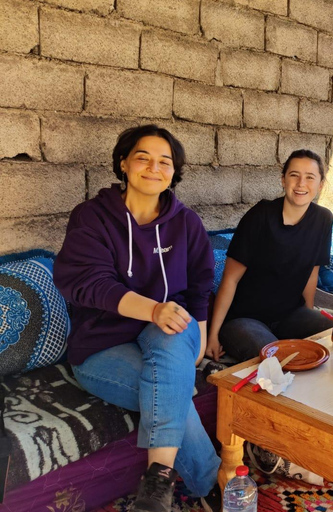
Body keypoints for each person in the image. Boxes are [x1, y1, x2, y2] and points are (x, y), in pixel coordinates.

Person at [53, 125, 221, 512]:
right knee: (173, 395)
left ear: (173, 172)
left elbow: (200, 285)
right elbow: (86, 282)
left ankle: (157, 484)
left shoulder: (187, 223)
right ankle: (212, 484)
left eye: (165, 161)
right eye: (143, 157)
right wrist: (152, 309)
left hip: (172, 335)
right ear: (124, 163)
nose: (153, 167)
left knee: (171, 338)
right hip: (101, 345)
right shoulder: (92, 218)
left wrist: (200, 337)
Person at [206, 149, 333, 363]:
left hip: (289, 315)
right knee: (275, 359)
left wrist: (308, 317)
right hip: (245, 319)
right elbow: (230, 278)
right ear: (283, 180)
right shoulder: (260, 216)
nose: (301, 183)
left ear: (320, 184)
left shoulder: (323, 219)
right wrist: (213, 335)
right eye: (294, 175)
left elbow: (312, 271)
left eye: (310, 177)